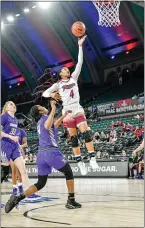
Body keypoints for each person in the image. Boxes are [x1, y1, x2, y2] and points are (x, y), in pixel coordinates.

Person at [5, 100, 81, 213]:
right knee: (68, 172)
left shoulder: (41, 121)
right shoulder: (45, 118)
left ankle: (18, 197)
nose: (43, 107)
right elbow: (48, 125)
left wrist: (63, 115)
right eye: (41, 106)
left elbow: (53, 125)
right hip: (51, 152)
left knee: (41, 183)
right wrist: (53, 109)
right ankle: (71, 200)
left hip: (41, 155)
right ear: (40, 111)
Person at [42, 35, 98, 175]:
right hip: (66, 112)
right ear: (61, 74)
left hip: (77, 108)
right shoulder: (58, 85)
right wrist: (52, 95)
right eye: (65, 69)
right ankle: (80, 162)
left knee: (86, 132)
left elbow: (80, 62)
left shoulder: (74, 78)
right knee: (73, 138)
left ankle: (92, 158)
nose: (67, 70)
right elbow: (44, 93)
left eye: (68, 69)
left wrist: (80, 46)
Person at [1, 101, 38, 199]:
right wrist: (10, 137)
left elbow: (15, 136)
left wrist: (19, 146)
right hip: (4, 146)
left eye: (14, 104)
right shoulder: (4, 116)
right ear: (7, 108)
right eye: (11, 104)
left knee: (23, 170)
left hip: (14, 146)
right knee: (3, 172)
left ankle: (29, 192)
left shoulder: (15, 120)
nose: (14, 105)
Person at [9, 128, 28, 196]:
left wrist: (20, 146)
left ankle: (19, 186)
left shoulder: (21, 131)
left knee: (19, 171)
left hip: (18, 152)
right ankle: (15, 188)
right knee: (14, 169)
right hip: (10, 152)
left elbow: (26, 144)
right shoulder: (7, 130)